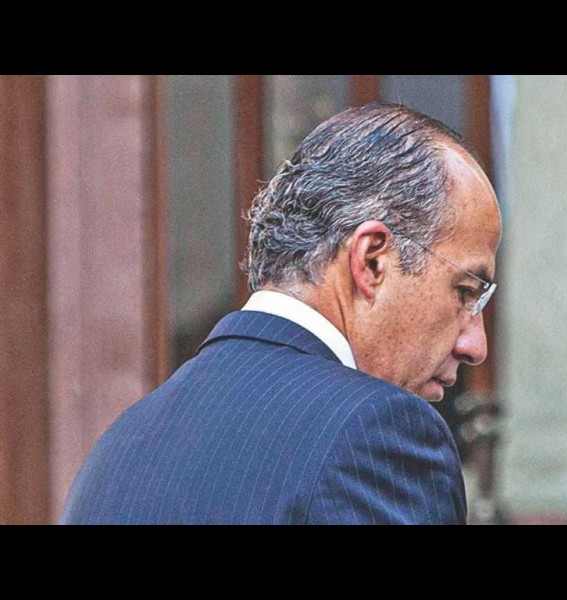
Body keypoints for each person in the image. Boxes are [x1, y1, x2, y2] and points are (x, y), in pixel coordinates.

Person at [59, 102, 502, 525]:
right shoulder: (375, 433)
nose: (475, 346)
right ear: (371, 261)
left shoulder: (121, 446)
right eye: (465, 291)